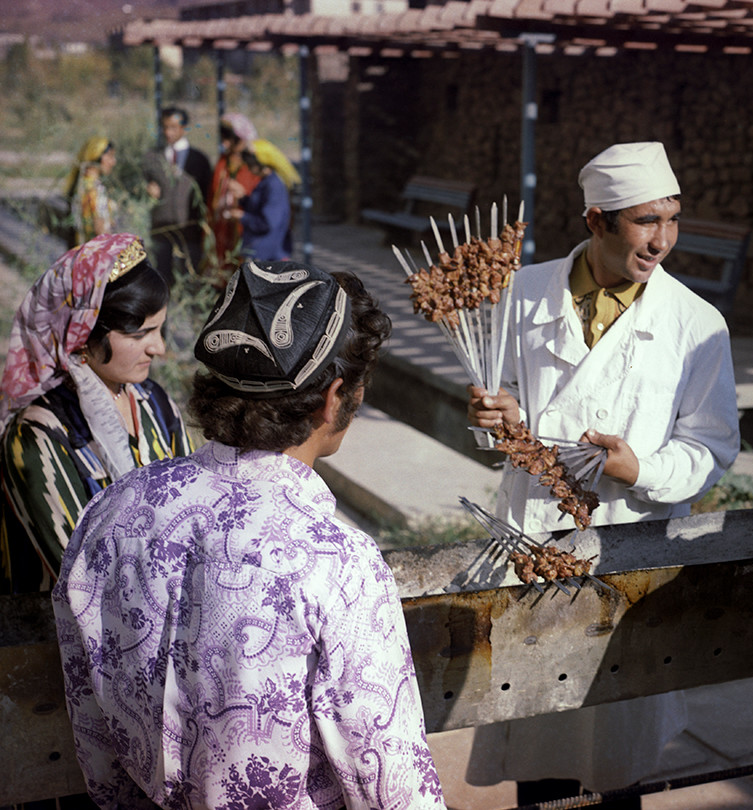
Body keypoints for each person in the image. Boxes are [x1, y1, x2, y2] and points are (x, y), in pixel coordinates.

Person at [51, 260, 446, 810]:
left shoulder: (112, 512)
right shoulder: (336, 562)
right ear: (335, 397)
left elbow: (93, 739)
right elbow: (393, 788)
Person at [465, 142, 741, 806]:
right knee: (543, 743)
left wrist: (638, 467)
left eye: (672, 219)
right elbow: (493, 407)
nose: (663, 239)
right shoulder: (523, 292)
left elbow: (711, 450)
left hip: (624, 547)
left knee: (614, 747)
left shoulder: (696, 325)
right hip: (533, 543)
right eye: (646, 221)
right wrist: (489, 418)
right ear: (596, 221)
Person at [0, 233, 190, 594]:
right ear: (82, 337)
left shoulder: (156, 404)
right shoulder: (37, 436)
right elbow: (82, 577)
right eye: (141, 334)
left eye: (160, 330)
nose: (160, 348)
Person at [142, 106, 213, 285]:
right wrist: (146, 190)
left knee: (191, 280)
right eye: (165, 127)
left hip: (190, 233)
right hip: (161, 232)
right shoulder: (152, 158)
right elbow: (138, 189)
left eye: (173, 127)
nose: (168, 132)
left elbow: (207, 196)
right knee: (162, 281)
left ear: (184, 128)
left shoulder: (199, 160)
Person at [227, 139, 300, 262]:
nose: (248, 167)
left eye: (250, 163)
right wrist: (243, 198)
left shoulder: (274, 186)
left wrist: (242, 216)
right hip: (260, 250)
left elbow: (268, 223)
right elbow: (259, 207)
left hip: (267, 254)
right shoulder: (265, 182)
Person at [209, 112, 261, 277]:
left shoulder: (253, 164)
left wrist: (243, 193)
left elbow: (260, 199)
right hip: (222, 227)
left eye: (228, 139)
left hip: (243, 230)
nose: (224, 143)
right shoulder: (223, 162)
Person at [65, 136, 117, 246]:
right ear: (96, 156)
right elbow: (99, 230)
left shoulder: (83, 185)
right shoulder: (91, 190)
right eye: (110, 156)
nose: (113, 162)